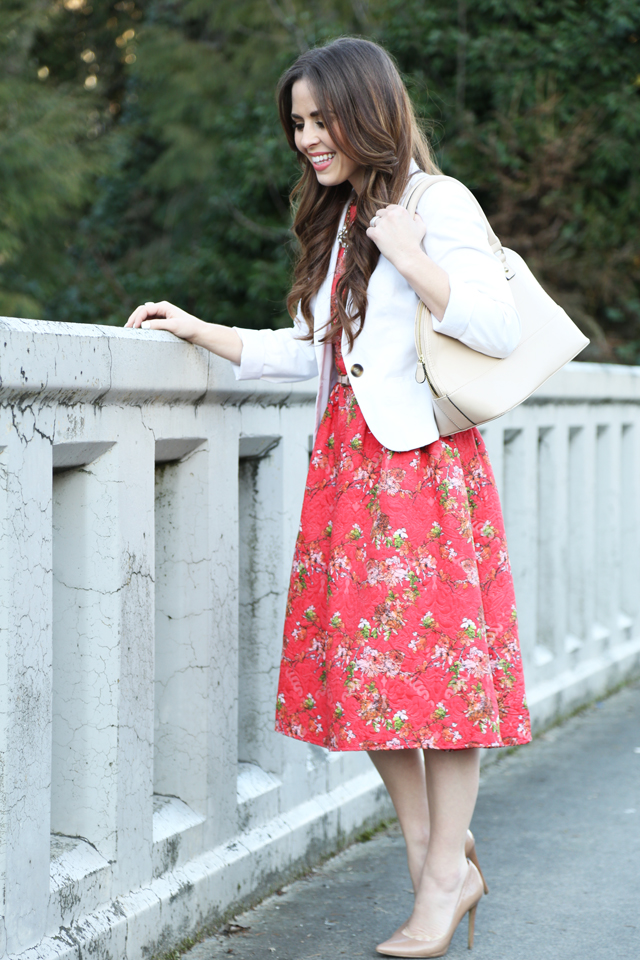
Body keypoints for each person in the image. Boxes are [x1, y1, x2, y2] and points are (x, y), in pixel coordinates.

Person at [126, 36, 531, 958]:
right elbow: (308, 347)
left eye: (322, 119)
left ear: (369, 110)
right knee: (372, 682)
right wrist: (198, 328)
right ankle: (437, 864)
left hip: (422, 469)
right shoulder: (350, 218)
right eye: (299, 124)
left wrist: (415, 257)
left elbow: (497, 327)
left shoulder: (434, 203)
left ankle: (438, 887)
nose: (308, 138)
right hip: (348, 473)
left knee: (439, 679)